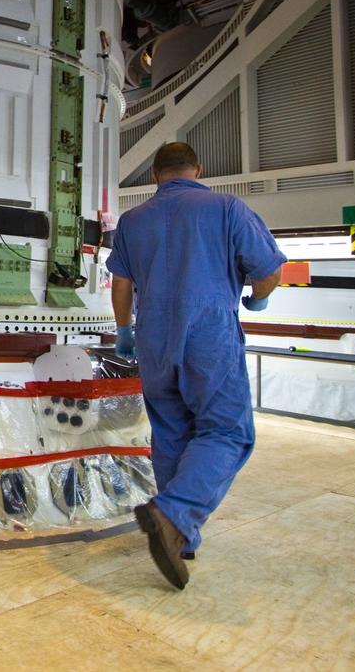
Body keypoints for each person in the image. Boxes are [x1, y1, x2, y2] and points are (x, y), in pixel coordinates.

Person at [106, 142, 285, 590]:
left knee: (171, 434)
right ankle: (174, 514)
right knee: (228, 431)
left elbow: (122, 284)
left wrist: (124, 329)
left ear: (155, 175)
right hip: (208, 336)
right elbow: (268, 269)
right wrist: (258, 298)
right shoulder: (226, 207)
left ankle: (181, 537)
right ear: (198, 169)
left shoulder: (132, 220)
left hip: (152, 341)